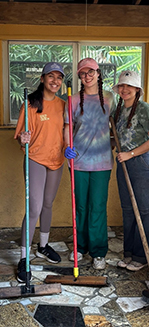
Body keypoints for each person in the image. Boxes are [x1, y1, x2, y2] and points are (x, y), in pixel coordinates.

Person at [13, 62, 66, 282]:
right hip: (35, 158)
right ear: (43, 78)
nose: (55, 81)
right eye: (51, 77)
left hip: (57, 159)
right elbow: (21, 137)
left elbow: (66, 131)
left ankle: (43, 246)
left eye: (59, 78)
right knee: (33, 207)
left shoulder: (64, 105)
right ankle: (24, 257)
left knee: (47, 203)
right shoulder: (31, 103)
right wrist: (22, 140)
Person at [64, 58, 116, 270]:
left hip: (102, 163)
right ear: (79, 77)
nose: (87, 76)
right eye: (83, 74)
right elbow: (67, 127)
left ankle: (98, 252)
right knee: (81, 207)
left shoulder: (110, 98)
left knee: (97, 207)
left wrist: (113, 144)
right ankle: (79, 247)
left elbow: (117, 125)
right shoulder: (74, 100)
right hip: (78, 161)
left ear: (98, 72)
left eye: (91, 72)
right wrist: (67, 146)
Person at [111, 71, 149, 272]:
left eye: (129, 86)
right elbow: (117, 137)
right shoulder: (119, 110)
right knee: (128, 211)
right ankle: (129, 254)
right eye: (122, 86)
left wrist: (130, 154)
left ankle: (141, 257)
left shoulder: (144, 108)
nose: (124, 90)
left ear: (137, 89)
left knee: (145, 211)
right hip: (124, 163)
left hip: (141, 164)